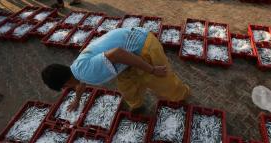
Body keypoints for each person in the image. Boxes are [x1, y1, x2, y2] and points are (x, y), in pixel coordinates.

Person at [41, 27, 190, 112]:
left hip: (142, 45)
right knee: (126, 85)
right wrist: (77, 100)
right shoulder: (76, 68)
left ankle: (181, 96)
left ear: (66, 84)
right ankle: (137, 105)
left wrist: (151, 70)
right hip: (126, 53)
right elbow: (80, 84)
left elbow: (118, 53)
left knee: (160, 80)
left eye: (65, 87)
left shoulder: (87, 72)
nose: (68, 88)